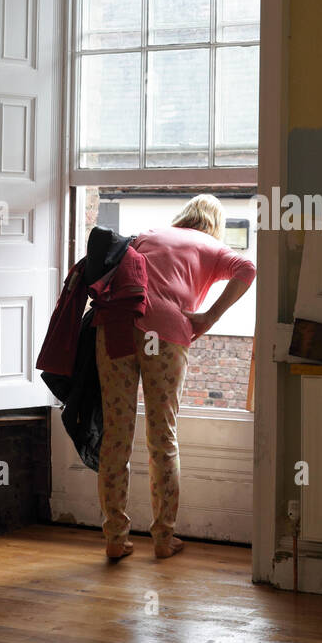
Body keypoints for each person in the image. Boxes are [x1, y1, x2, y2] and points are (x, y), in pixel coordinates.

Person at [95, 194, 256, 561]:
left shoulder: (149, 234)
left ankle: (115, 538)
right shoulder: (212, 246)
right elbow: (248, 271)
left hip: (116, 327)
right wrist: (210, 316)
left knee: (116, 435)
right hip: (163, 334)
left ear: (184, 216)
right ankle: (164, 538)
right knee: (161, 436)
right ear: (214, 224)